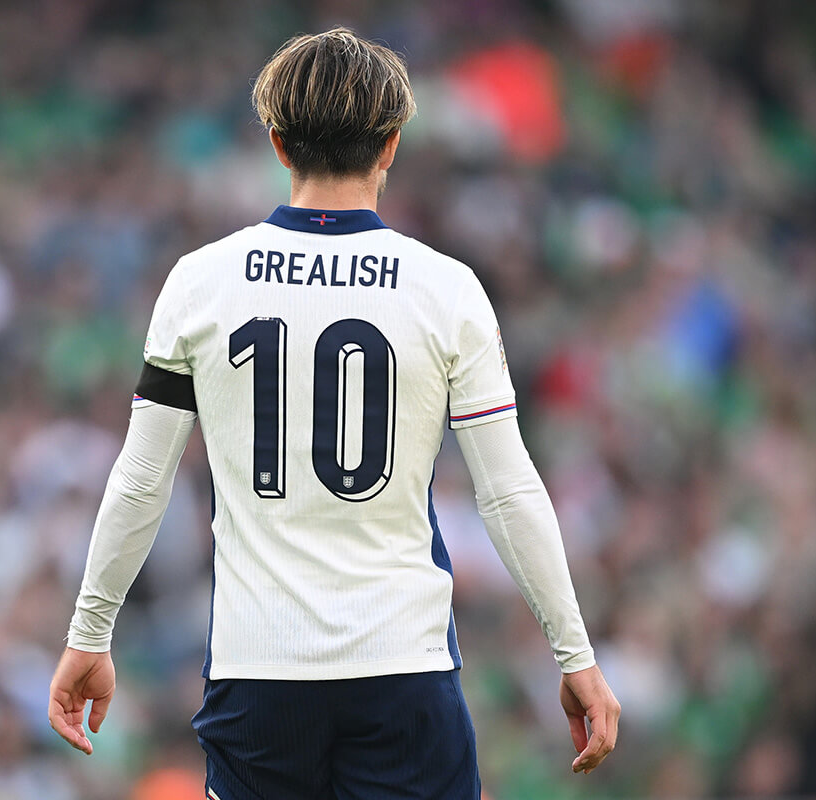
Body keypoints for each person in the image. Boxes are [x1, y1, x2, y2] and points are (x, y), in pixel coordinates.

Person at [49, 27, 620, 799]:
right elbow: (507, 489)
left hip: (259, 672)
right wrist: (572, 653)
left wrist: (90, 632)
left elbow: (142, 479)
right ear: (390, 146)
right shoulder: (445, 289)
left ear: (279, 146)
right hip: (402, 667)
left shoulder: (200, 281)